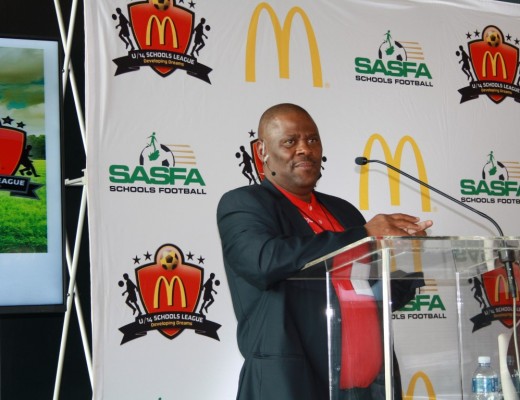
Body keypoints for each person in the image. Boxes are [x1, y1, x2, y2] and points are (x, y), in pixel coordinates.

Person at [216, 103, 432, 400]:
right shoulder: (244, 204)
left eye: (312, 139)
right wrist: (364, 234)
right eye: (290, 141)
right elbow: (264, 261)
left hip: (369, 387)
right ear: (261, 151)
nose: (305, 149)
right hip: (293, 386)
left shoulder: (344, 211)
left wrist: (400, 255)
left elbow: (362, 291)